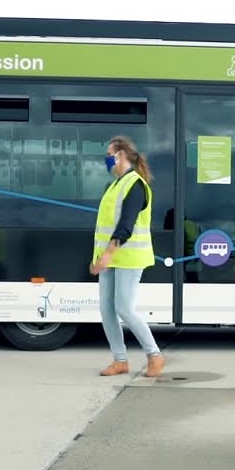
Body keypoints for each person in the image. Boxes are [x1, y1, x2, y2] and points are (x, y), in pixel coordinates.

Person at [89, 135, 165, 379]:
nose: (107, 160)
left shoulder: (136, 185)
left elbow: (125, 226)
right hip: (110, 258)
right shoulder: (115, 185)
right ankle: (120, 360)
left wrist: (106, 255)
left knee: (124, 308)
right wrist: (101, 257)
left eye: (109, 155)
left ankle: (155, 355)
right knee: (106, 309)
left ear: (120, 155)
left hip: (129, 257)